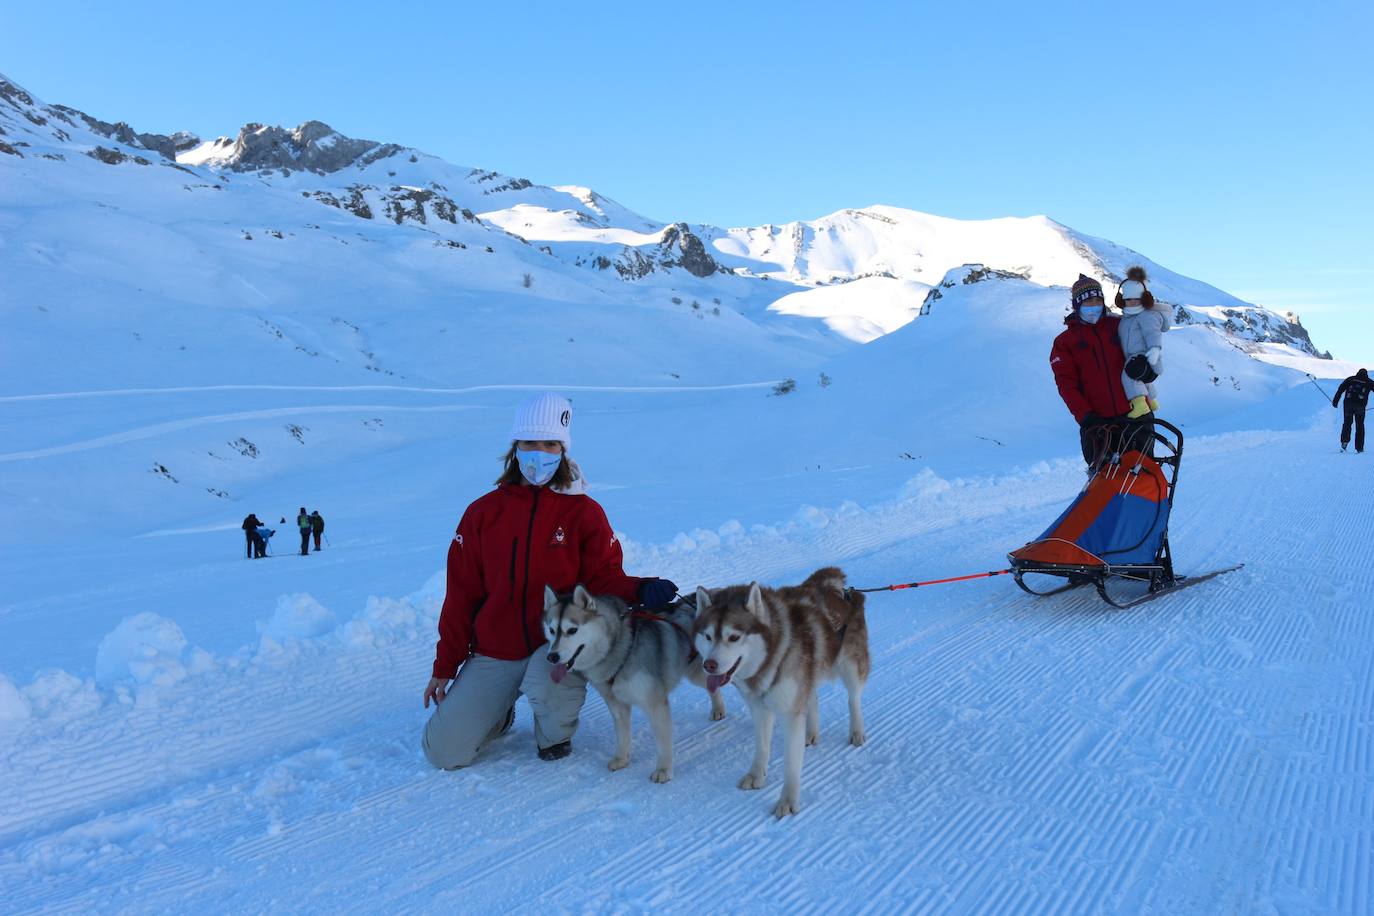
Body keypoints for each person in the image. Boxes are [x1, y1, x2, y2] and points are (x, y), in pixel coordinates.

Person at [421, 392, 678, 770]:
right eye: (529, 442)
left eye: (549, 443)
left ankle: (553, 730)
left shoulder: (584, 513)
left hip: (556, 643)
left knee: (550, 714)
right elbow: (461, 594)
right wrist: (445, 665)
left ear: (562, 449)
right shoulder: (482, 514)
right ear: (515, 447)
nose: (538, 452)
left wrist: (641, 589)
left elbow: (603, 577)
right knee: (443, 752)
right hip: (496, 648)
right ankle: (500, 714)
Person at [1051, 275, 1143, 464]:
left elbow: (1143, 351)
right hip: (1097, 425)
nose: (1094, 305)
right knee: (1105, 483)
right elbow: (1066, 385)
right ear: (1077, 306)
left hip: (1135, 416)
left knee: (1142, 477)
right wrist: (1086, 416)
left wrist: (1147, 370)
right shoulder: (1064, 342)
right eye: (1088, 301)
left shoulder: (1119, 326)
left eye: (1098, 300)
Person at [1115, 266, 1169, 418]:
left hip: (1144, 355)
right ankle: (1151, 401)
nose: (1132, 302)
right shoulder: (1128, 317)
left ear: (1144, 299)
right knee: (1141, 380)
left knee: (1129, 376)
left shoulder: (1146, 316)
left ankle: (1139, 405)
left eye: (1136, 299)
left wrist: (1155, 348)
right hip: (1134, 355)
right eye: (1128, 299)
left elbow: (1152, 332)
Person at [1332, 368, 1371, 453]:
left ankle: (1344, 443)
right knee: (1360, 426)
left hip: (1348, 405)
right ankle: (1359, 448)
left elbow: (1340, 389)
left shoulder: (1350, 379)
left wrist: (1335, 401)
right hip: (1360, 407)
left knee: (1347, 423)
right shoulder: (1368, 381)